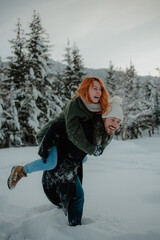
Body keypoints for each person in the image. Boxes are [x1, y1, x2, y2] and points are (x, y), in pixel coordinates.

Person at [7, 76, 110, 226]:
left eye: (100, 89)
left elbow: (104, 129)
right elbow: (74, 133)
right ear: (86, 89)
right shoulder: (76, 104)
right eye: (94, 88)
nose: (98, 92)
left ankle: (65, 198)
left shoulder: (97, 108)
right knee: (51, 163)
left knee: (82, 159)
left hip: (69, 142)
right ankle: (20, 170)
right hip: (54, 136)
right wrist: (92, 149)